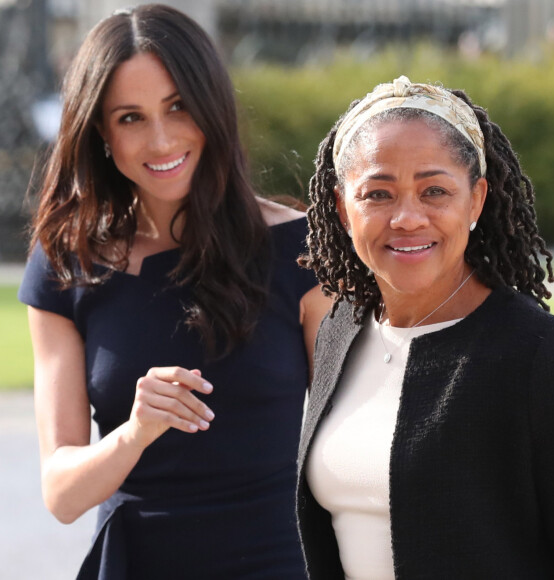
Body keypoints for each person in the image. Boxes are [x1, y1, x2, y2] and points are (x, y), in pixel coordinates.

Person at [18, 4, 330, 578]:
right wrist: (135, 433)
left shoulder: (305, 253)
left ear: (212, 107)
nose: (161, 140)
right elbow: (61, 493)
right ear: (100, 133)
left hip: (279, 562)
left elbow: (364, 443)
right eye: (130, 118)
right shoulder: (68, 263)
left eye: (178, 107)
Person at [297, 75, 554, 579]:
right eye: (378, 194)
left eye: (434, 191)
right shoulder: (340, 329)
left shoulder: (542, 355)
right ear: (343, 209)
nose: (407, 217)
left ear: (475, 200)